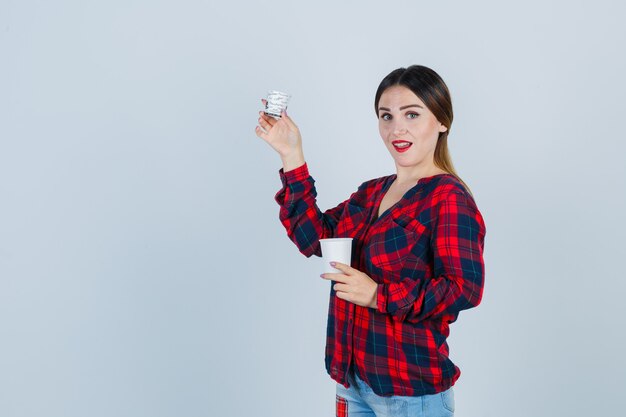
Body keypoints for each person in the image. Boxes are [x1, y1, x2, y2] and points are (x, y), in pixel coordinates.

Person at [255, 65, 486, 417]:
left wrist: (378, 295)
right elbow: (313, 237)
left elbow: (463, 288)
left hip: (410, 394)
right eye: (386, 116)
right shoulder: (372, 192)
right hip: (352, 384)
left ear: (441, 121)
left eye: (412, 114)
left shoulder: (448, 198)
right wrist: (291, 155)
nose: (397, 128)